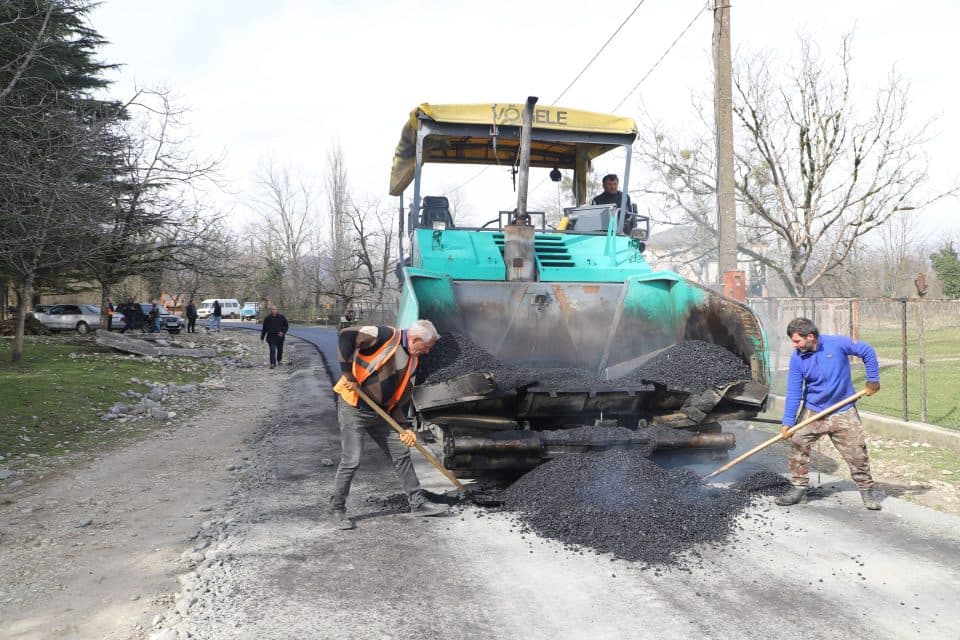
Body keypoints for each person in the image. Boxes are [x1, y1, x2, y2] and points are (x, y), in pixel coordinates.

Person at [330, 319, 447, 529]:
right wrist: (348, 374)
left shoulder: (412, 361)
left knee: (401, 452)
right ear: (416, 339)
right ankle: (337, 509)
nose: (428, 352)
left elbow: (400, 401)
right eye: (427, 347)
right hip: (354, 407)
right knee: (352, 459)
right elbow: (346, 335)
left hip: (381, 414)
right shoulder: (384, 336)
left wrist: (407, 428)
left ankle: (417, 503)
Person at [777, 317, 882, 511]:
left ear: (810, 337)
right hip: (814, 410)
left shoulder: (836, 344)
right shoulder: (797, 358)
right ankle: (798, 489)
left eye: (797, 341)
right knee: (798, 443)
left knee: (857, 452)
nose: (794, 345)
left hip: (843, 410)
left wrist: (873, 379)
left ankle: (867, 491)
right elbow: (793, 391)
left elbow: (866, 350)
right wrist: (788, 422)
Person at [260, 305, 289, 369]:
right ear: (270, 310)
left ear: (277, 310)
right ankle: (272, 363)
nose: (273, 311)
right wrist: (262, 337)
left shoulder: (281, 317)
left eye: (274, 309)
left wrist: (283, 332)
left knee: (280, 350)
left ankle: (279, 360)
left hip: (279, 336)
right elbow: (264, 328)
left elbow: (286, 326)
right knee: (272, 349)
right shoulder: (267, 318)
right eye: (272, 309)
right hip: (271, 337)